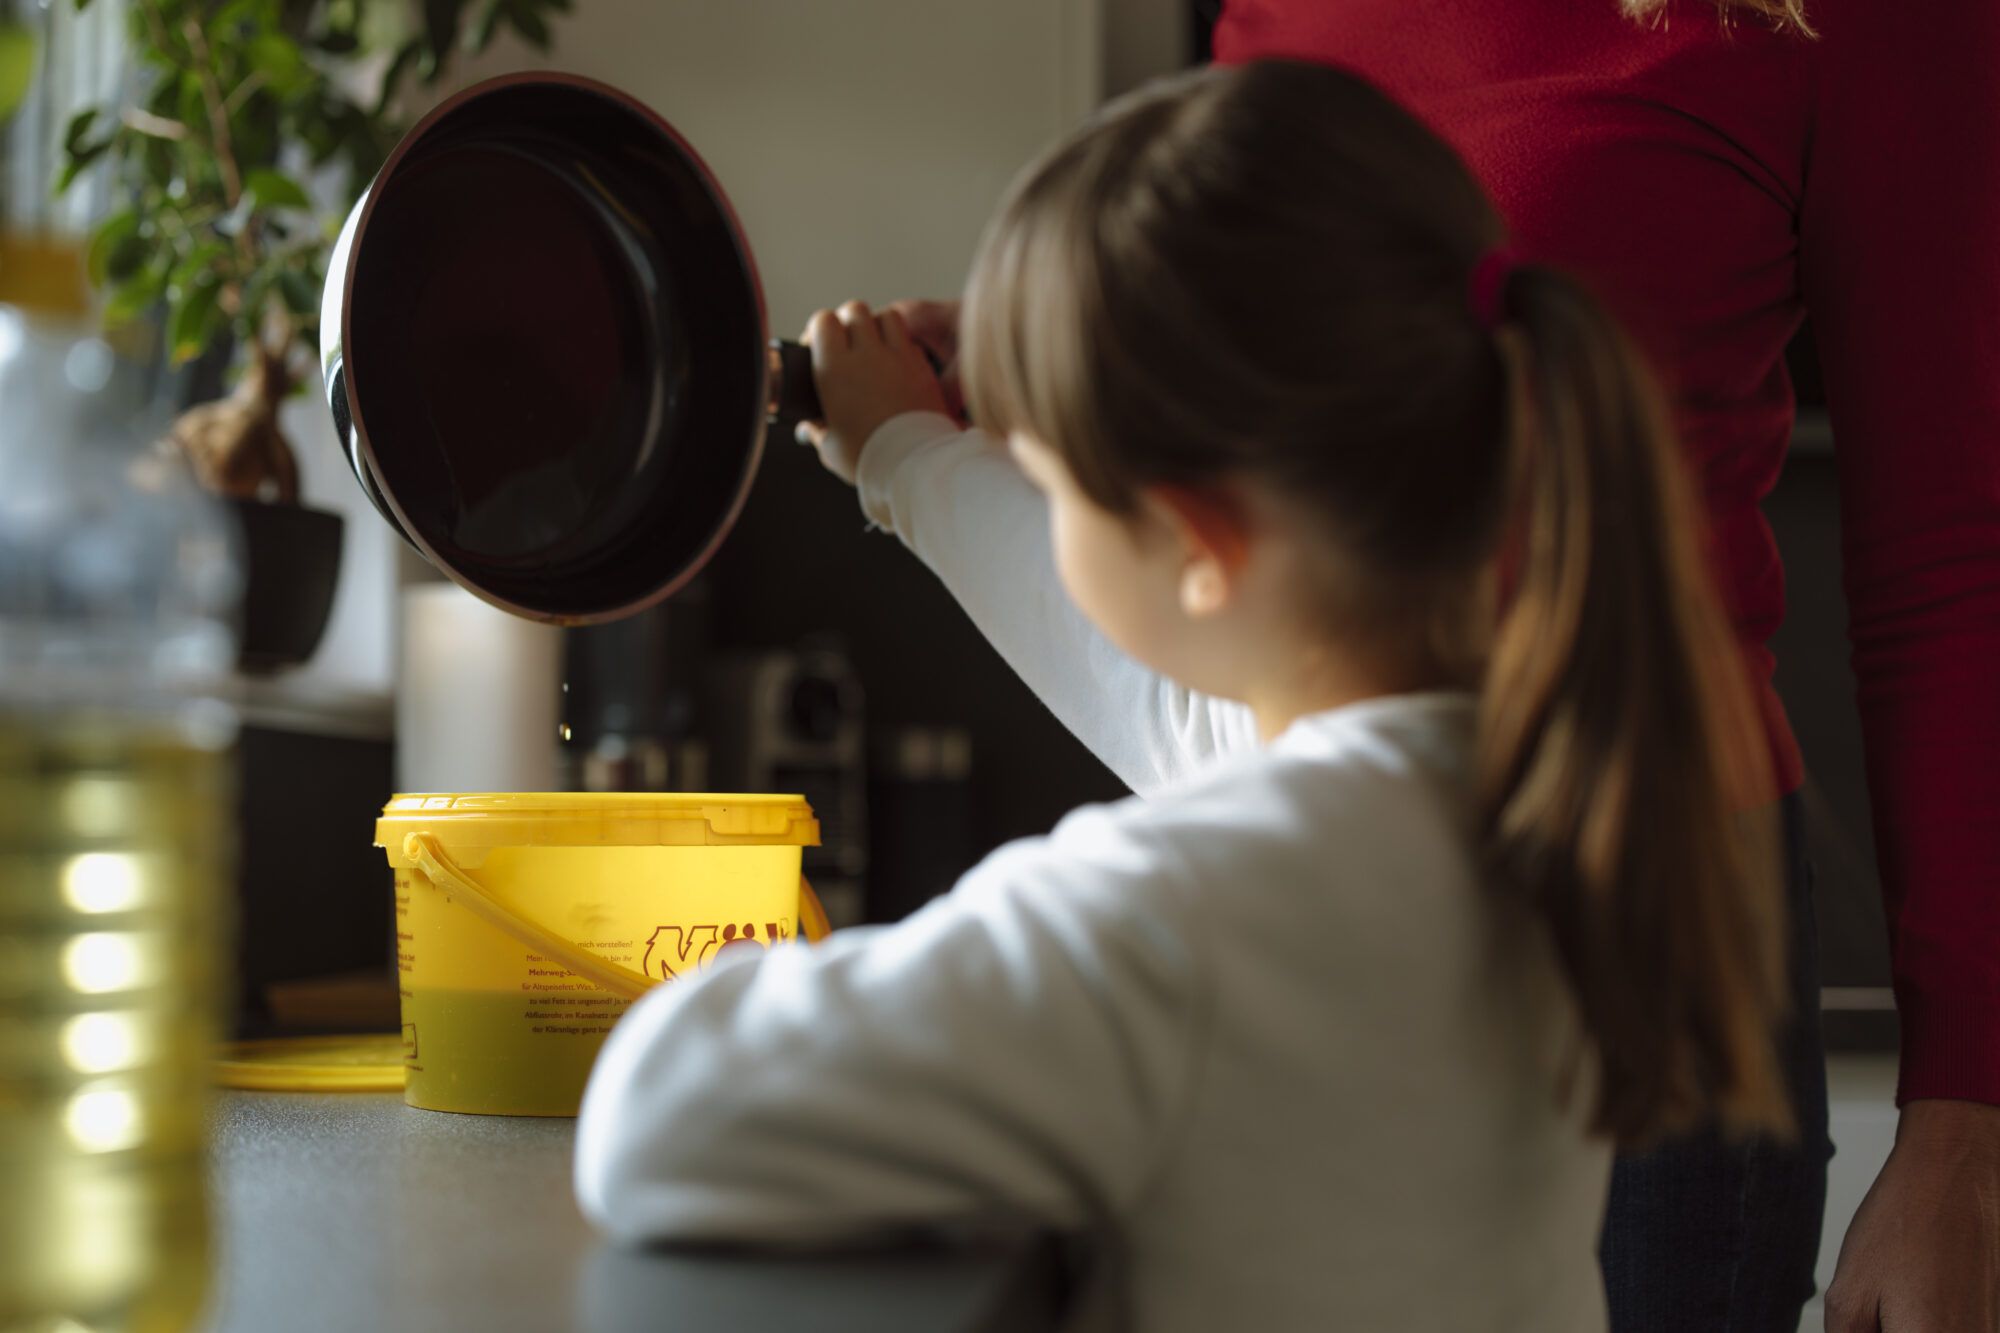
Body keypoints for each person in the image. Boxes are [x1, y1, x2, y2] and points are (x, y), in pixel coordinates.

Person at [576, 62, 1797, 1329]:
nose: (1046, 512)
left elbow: (663, 1117)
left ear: (1192, 537)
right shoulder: (1548, 796)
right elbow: (1146, 684)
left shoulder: (1185, 919)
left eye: (1052, 478)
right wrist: (907, 452)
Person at [1196, 4, 2000, 1330]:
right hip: (1292, 902)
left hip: (1638, 943)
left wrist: (1960, 1127)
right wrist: (1023, 376)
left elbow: (1946, 560)